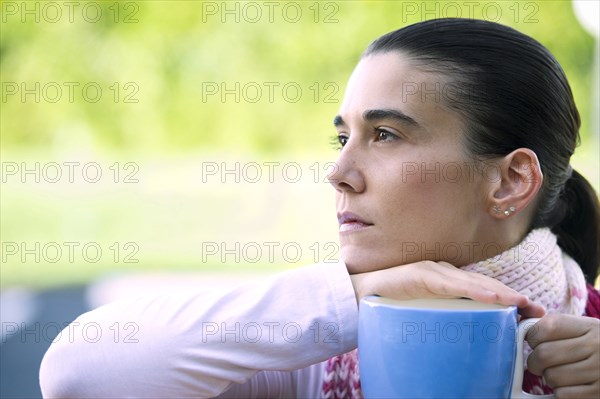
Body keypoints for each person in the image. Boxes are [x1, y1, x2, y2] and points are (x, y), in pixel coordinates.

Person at [39, 18, 599, 399]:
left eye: (384, 135)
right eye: (343, 138)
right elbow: (78, 372)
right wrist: (349, 299)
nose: (338, 174)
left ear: (510, 180)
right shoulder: (321, 343)